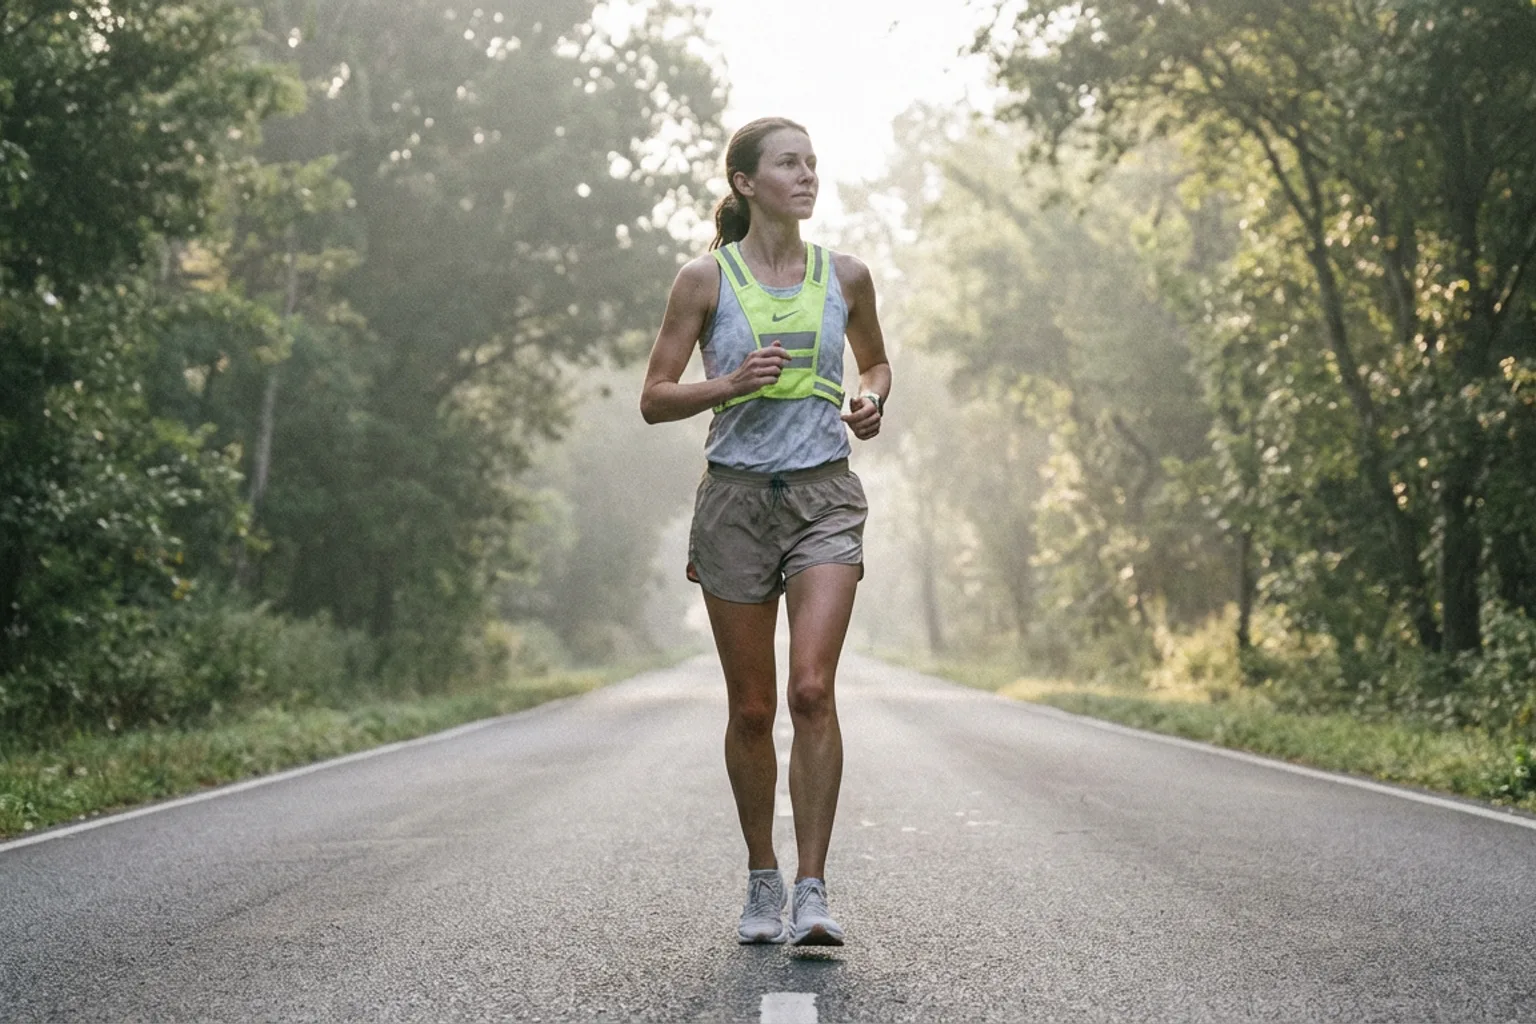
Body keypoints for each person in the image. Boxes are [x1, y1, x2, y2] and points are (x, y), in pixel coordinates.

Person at [640, 116, 891, 946]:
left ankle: (813, 889)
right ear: (747, 183)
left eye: (813, 162)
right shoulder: (703, 281)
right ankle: (761, 881)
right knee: (751, 709)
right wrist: (731, 384)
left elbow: (876, 363)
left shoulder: (845, 275)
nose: (807, 175)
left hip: (824, 500)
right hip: (736, 506)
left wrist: (871, 401)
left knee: (810, 690)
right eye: (789, 164)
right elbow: (654, 397)